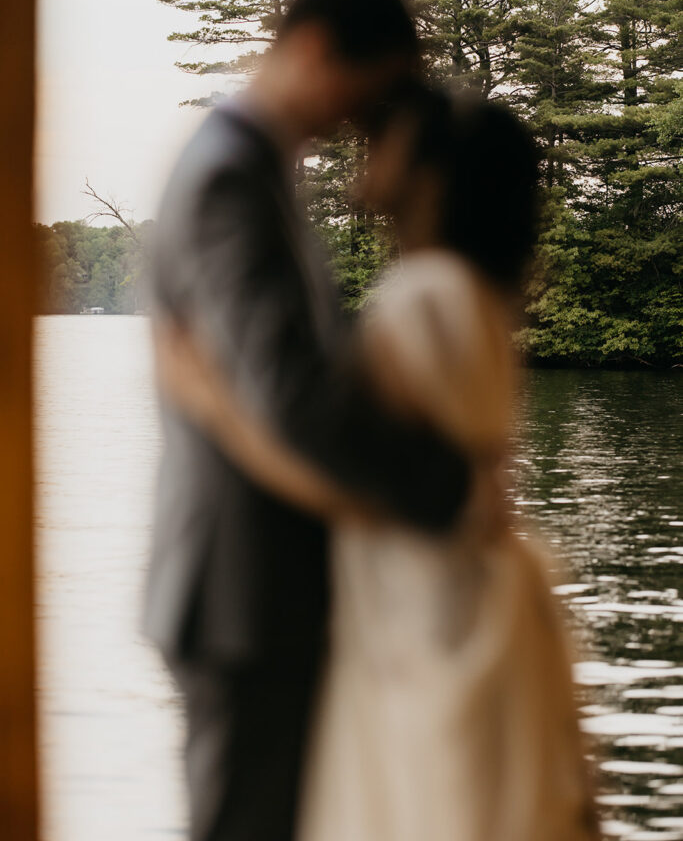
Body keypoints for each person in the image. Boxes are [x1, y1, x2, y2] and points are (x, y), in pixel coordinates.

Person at [156, 85, 601, 841]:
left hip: (421, 615)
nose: (366, 143)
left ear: (431, 172)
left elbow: (354, 480)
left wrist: (213, 404)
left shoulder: (425, 299)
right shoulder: (478, 299)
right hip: (452, 601)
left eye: (387, 135)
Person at [143, 0, 472, 841]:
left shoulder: (253, 171)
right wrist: (447, 487)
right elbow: (290, 395)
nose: (358, 125)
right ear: (317, 49)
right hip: (243, 597)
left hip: (269, 593)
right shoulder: (226, 178)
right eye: (364, 96)